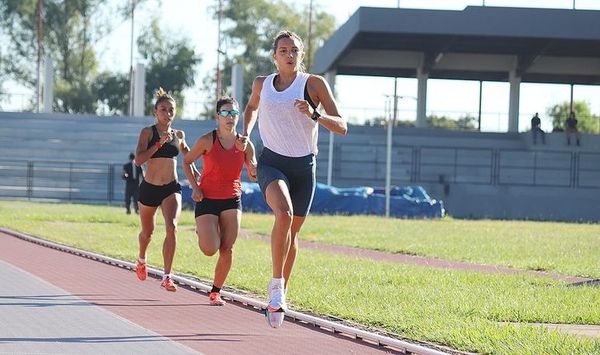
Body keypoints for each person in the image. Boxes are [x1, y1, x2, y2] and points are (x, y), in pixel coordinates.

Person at [240, 30, 347, 328]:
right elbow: (251, 108)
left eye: (294, 50)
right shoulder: (262, 84)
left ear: (301, 55)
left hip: (304, 167)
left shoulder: (313, 84)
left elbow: (342, 126)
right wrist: (246, 133)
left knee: (293, 232)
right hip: (271, 162)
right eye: (283, 50)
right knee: (283, 215)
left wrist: (315, 115)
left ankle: (282, 290)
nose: (289, 54)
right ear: (274, 56)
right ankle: (276, 288)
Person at [183, 97, 257, 306]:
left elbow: (254, 174)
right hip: (207, 198)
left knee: (228, 248)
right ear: (217, 117)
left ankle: (216, 291)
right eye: (225, 113)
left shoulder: (245, 144)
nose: (229, 117)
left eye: (233, 113)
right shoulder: (207, 140)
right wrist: (195, 188)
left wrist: (253, 168)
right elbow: (187, 161)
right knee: (209, 249)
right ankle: (204, 230)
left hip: (232, 199)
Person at [133, 88, 192, 292]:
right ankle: (141, 258)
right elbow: (139, 160)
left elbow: (187, 156)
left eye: (171, 110)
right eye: (163, 109)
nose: (167, 113)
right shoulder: (148, 132)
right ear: (155, 111)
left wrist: (194, 170)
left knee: (172, 226)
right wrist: (158, 144)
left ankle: (167, 276)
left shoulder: (179, 134)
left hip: (171, 188)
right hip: (149, 188)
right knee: (147, 233)